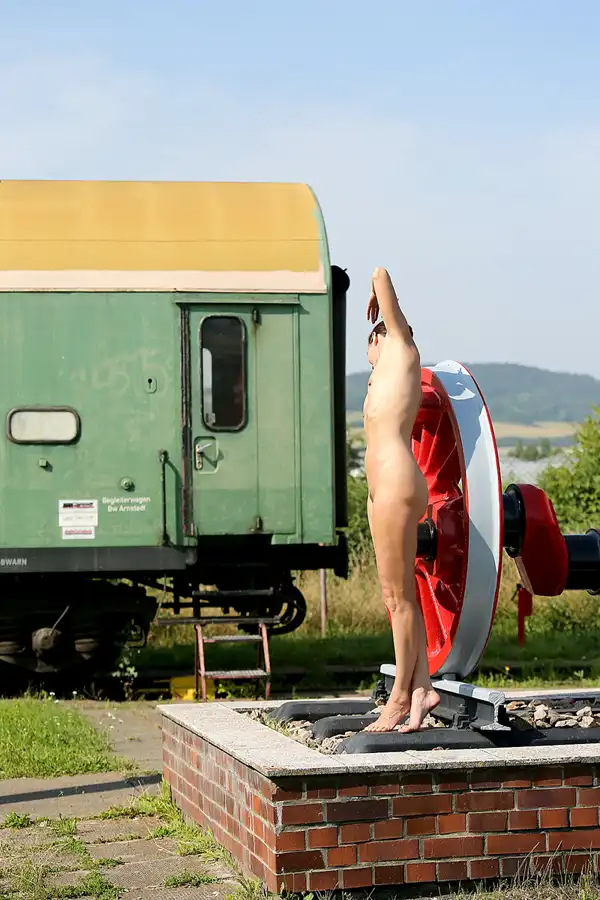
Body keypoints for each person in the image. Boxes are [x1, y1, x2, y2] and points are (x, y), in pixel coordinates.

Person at [362, 267, 439, 733]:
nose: (367, 360)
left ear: (381, 335)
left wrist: (375, 295)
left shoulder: (401, 349)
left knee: (397, 598)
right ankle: (421, 690)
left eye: (369, 348)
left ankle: (397, 698)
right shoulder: (387, 370)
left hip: (395, 482)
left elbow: (381, 273)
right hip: (382, 487)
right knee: (399, 595)